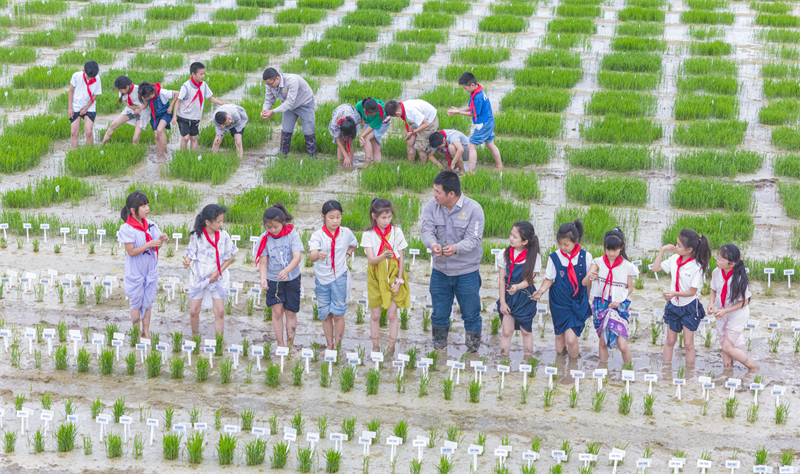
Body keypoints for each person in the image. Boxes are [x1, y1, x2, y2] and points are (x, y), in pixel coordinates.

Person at [420, 171, 485, 352]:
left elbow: (473, 240)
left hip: (467, 272)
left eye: (437, 192)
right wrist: (433, 244)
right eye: (434, 190)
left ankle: (472, 352)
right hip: (440, 271)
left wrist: (455, 248)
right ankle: (439, 351)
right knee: (439, 314)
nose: (434, 195)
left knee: (471, 314)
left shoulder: (474, 210)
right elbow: (426, 230)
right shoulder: (432, 206)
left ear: (451, 194)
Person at [532, 220, 592, 359]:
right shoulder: (554, 257)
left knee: (571, 338)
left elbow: (589, 282)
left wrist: (587, 299)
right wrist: (540, 291)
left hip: (577, 302)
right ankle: (560, 365)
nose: (562, 247)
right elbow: (549, 278)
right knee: (559, 335)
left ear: (576, 241)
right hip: (559, 302)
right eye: (560, 244)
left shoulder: (585, 257)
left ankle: (573, 365)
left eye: (566, 245)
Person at [652, 228, 711, 367]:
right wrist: (662, 250)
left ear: (690, 249)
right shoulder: (674, 259)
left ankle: (689, 375)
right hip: (673, 305)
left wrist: (674, 293)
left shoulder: (697, 267)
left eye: (679, 245)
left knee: (688, 343)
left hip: (689, 306)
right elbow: (655, 268)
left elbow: (692, 292)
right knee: (670, 341)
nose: (676, 247)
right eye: (676, 244)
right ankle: (665, 372)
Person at [362, 198, 410, 355]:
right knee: (375, 314)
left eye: (389, 217)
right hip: (376, 277)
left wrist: (399, 281)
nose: (387, 221)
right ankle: (375, 347)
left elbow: (401, 258)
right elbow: (371, 260)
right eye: (383, 218)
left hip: (394, 275)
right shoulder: (368, 235)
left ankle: (391, 348)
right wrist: (383, 256)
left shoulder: (397, 232)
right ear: (374, 216)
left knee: (392, 314)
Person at [118, 191, 168, 339]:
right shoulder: (127, 228)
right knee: (136, 302)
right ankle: (136, 333)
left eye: (147, 205)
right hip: (136, 270)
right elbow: (131, 251)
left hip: (150, 268)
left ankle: (146, 332)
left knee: (147, 302)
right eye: (143, 206)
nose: (147, 209)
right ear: (133, 210)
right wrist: (149, 244)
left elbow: (155, 248)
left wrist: (160, 240)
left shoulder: (151, 225)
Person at [309, 200, 359, 350]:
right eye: (331, 217)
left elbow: (354, 243)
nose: (335, 220)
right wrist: (318, 254)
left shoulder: (345, 233)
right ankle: (329, 346)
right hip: (322, 279)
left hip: (340, 278)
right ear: (323, 217)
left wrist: (347, 254)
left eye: (338, 216)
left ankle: (337, 347)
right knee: (325, 314)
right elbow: (311, 256)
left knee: (338, 314)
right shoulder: (317, 235)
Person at [584, 228, 638, 365]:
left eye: (615, 250)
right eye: (608, 249)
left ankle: (628, 370)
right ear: (604, 247)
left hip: (619, 306)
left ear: (621, 248)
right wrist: (589, 277)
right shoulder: (597, 262)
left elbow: (629, 287)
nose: (611, 253)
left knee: (622, 344)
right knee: (602, 341)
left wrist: (618, 301)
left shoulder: (627, 266)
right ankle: (603, 372)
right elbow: (584, 282)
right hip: (601, 305)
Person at [256, 204, 304, 350]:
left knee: (290, 312)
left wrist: (287, 270)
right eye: (269, 227)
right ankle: (280, 344)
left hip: (292, 278)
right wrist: (263, 278)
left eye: (276, 227)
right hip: (273, 279)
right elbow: (263, 261)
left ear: (283, 223)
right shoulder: (264, 239)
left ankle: (290, 345)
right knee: (277, 312)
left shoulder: (292, 235)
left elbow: (297, 257)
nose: (273, 230)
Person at [184, 204, 237, 338]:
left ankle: (219, 341)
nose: (221, 224)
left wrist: (217, 273)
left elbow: (229, 258)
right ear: (207, 222)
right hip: (200, 276)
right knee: (194, 311)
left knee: (219, 311)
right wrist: (187, 261)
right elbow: (190, 253)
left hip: (218, 276)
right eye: (218, 221)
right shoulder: (197, 236)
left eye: (222, 221)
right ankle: (195, 337)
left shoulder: (224, 236)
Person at [709, 244, 758, 370]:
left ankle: (752, 367)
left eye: (721, 259)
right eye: (717, 257)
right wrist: (711, 303)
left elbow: (744, 302)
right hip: (722, 312)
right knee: (724, 344)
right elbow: (714, 289)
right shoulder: (716, 272)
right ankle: (727, 371)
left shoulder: (739, 279)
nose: (717, 260)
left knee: (727, 347)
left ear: (732, 264)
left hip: (737, 314)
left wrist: (725, 310)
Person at [496, 221, 541, 357]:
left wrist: (517, 287)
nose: (511, 239)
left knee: (526, 331)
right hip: (509, 296)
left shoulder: (534, 256)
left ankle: (527, 361)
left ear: (525, 241)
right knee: (506, 331)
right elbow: (502, 279)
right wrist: (503, 302)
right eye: (511, 235)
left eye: (515, 237)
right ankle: (504, 361)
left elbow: (529, 280)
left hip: (525, 296)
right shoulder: (504, 253)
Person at [447, 71, 502, 172]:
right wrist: (458, 110)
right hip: (488, 122)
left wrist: (458, 112)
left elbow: (473, 113)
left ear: (472, 85)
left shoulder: (478, 97)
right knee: (490, 144)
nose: (465, 90)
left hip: (484, 124)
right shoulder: (475, 92)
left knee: (471, 145)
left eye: (465, 88)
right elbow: (469, 107)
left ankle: (471, 172)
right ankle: (499, 166)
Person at [171, 61, 228, 151]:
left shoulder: (204, 85)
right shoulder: (186, 86)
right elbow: (178, 101)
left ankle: (193, 157)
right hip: (183, 116)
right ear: (193, 74)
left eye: (204, 74)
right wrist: (174, 116)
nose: (203, 76)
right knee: (186, 137)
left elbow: (210, 97)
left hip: (196, 116)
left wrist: (220, 103)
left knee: (193, 138)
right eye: (200, 74)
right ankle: (182, 155)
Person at [261, 67, 316, 157]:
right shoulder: (269, 85)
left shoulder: (291, 81)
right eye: (266, 84)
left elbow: (290, 103)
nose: (268, 86)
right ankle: (283, 156)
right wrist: (265, 110)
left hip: (304, 104)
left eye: (270, 84)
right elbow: (269, 100)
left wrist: (273, 111)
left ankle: (312, 157)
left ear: (277, 79)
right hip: (288, 107)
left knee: (308, 132)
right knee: (286, 131)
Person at [384, 99, 439, 166]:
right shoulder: (402, 107)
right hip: (418, 122)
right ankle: (410, 165)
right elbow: (410, 120)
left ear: (397, 113)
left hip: (429, 122)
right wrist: (412, 132)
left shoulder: (411, 111)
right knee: (410, 142)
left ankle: (423, 167)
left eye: (394, 117)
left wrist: (413, 132)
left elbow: (426, 124)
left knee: (420, 148)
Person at [135, 82, 177, 156]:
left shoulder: (163, 92)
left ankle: (165, 153)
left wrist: (171, 106)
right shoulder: (145, 95)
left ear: (152, 90)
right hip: (155, 116)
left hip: (165, 113)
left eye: (149, 96)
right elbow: (146, 103)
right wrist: (139, 109)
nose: (149, 98)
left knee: (160, 129)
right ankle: (159, 154)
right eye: (147, 97)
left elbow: (177, 93)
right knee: (156, 136)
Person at [101, 76, 144, 145]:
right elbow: (126, 102)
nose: (120, 92)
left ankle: (135, 151)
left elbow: (147, 104)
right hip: (130, 110)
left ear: (127, 87)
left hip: (142, 113)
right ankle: (102, 145)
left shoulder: (139, 90)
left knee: (136, 138)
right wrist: (133, 108)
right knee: (113, 125)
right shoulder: (122, 92)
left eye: (120, 90)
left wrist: (139, 109)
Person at [68, 60, 101, 149]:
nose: (90, 78)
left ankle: (90, 152)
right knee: (73, 132)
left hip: (89, 107)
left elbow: (95, 95)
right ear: (83, 70)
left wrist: (86, 108)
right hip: (76, 106)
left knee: (88, 131)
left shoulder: (97, 78)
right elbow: (71, 91)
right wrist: (70, 108)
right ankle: (74, 152)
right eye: (88, 76)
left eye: (92, 77)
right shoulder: (76, 76)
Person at [356, 97, 391, 164]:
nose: (374, 114)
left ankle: (367, 163)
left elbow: (371, 127)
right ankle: (377, 166)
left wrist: (361, 136)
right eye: (372, 114)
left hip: (383, 123)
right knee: (376, 146)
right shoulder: (359, 105)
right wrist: (364, 122)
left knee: (366, 137)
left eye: (375, 113)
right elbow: (360, 114)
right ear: (365, 110)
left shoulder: (380, 111)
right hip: (370, 122)